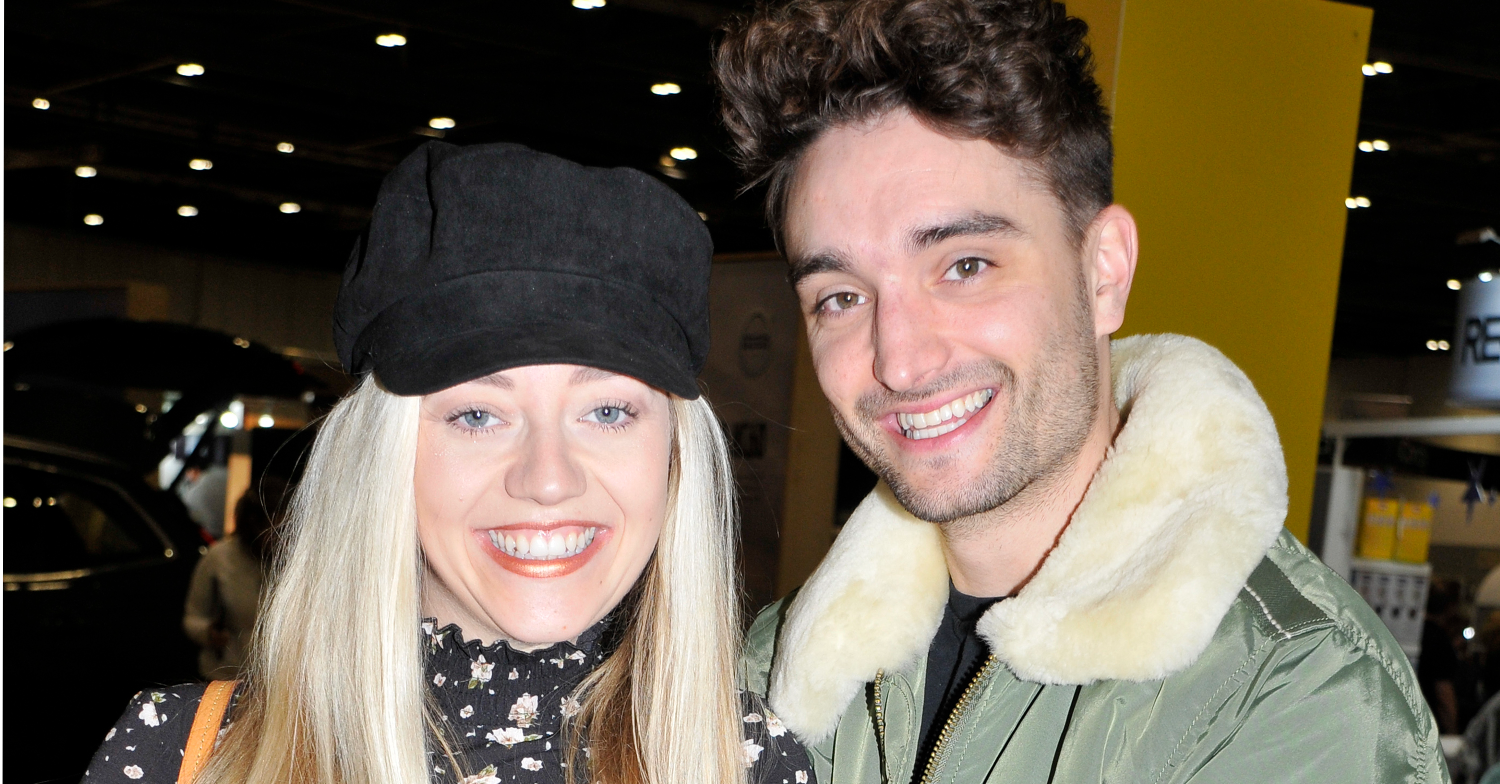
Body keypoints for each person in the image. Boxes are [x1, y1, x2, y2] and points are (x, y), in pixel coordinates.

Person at [715, 0, 1446, 781]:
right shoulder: (782, 671)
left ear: (1104, 273)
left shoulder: (1292, 691)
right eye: (841, 297)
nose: (899, 359)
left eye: (965, 266)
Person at [85, 142, 811, 784]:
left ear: (676, 459)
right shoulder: (183, 756)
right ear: (382, 461)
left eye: (608, 411)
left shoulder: (755, 765)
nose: (549, 477)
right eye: (476, 415)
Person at [183, 476, 288, 680]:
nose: (278, 537)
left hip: (274, 679)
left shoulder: (291, 560)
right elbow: (192, 618)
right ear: (252, 524)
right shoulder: (218, 558)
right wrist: (209, 633)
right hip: (225, 676)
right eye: (272, 529)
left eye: (283, 529)